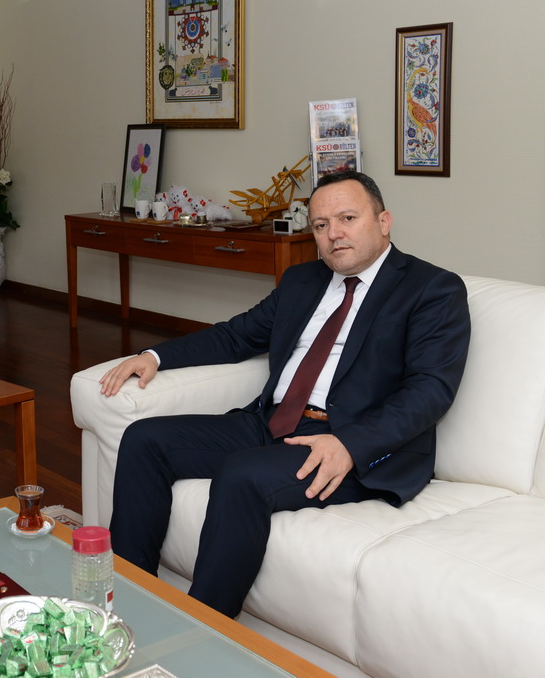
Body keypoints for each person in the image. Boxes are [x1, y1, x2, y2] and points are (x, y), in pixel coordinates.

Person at [99, 171, 471, 618]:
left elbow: (430, 390)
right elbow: (236, 336)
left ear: (383, 221)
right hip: (272, 422)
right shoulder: (302, 280)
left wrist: (350, 444)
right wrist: (155, 356)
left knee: (242, 475)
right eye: (321, 225)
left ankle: (203, 629)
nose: (334, 234)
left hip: (351, 444)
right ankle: (127, 604)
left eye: (348, 218)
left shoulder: (433, 289)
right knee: (144, 439)